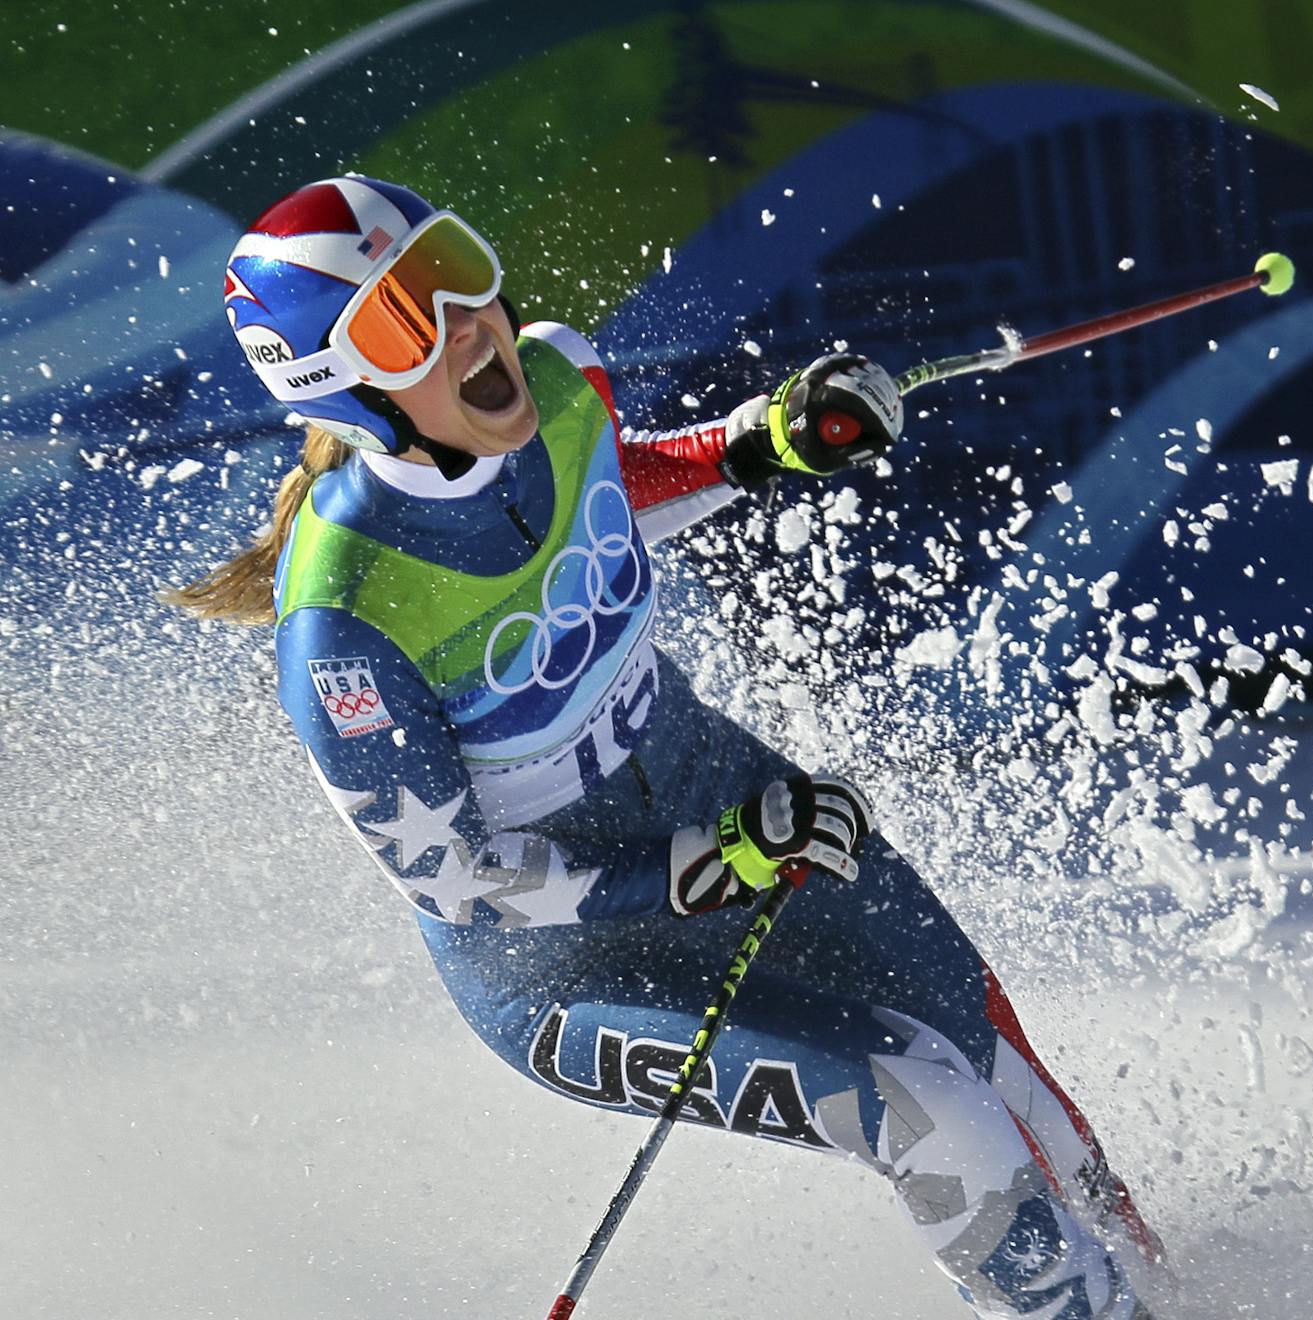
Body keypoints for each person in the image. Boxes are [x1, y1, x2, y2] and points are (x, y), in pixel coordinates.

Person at [169, 174, 1165, 1319]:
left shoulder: (555, 380)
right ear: (340, 390)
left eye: (455, 270)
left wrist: (764, 442)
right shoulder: (344, 619)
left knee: (1001, 1074)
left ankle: (1159, 1295)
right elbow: (462, 886)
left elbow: (603, 488)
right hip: (570, 968)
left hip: (727, 802)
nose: (468, 323)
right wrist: (707, 865)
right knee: (928, 1108)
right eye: (406, 319)